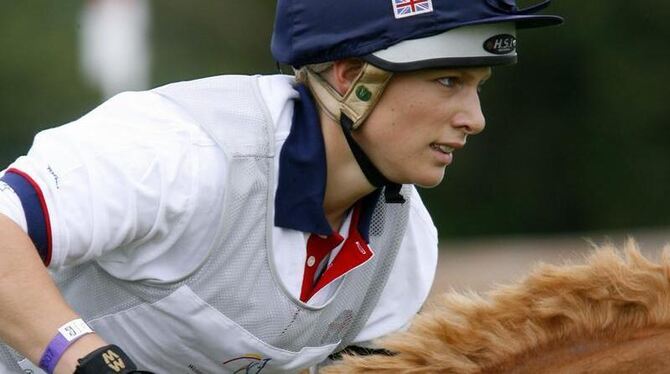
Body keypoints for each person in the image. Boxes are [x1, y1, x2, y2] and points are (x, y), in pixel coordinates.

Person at [0, 0, 562, 373]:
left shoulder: (407, 247)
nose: (474, 117)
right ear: (348, 76)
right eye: (448, 81)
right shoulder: (181, 147)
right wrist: (88, 360)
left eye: (478, 87)